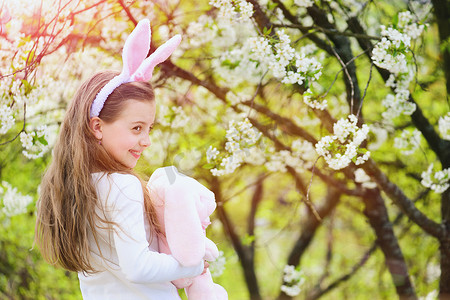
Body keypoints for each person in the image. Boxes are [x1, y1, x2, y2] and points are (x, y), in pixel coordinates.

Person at [34, 20, 208, 300]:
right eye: (136, 128)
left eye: (149, 129)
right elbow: (139, 268)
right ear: (98, 127)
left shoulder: (76, 187)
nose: (146, 141)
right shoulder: (122, 187)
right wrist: (194, 264)